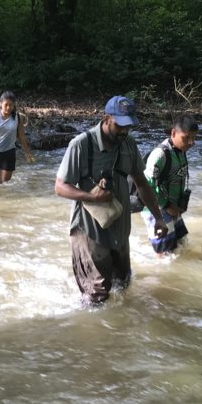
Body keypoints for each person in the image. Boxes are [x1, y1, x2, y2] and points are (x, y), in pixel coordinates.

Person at [54, 95, 168, 306]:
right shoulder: (81, 145)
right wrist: (91, 196)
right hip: (90, 233)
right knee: (97, 297)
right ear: (106, 118)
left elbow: (142, 184)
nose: (125, 131)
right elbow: (60, 187)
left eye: (129, 126)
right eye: (120, 125)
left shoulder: (129, 144)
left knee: (123, 285)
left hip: (120, 230)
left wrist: (158, 218)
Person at [140, 116, 198, 254]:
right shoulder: (160, 155)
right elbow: (146, 186)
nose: (191, 143)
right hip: (157, 210)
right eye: (186, 138)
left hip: (173, 208)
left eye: (194, 138)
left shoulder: (181, 151)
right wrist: (166, 205)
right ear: (173, 133)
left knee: (182, 244)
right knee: (165, 255)